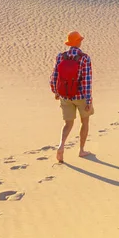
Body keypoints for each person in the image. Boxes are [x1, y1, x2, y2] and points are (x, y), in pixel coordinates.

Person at [49, 31, 94, 163]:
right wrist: (88, 100)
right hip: (80, 96)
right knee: (84, 122)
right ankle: (81, 150)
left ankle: (61, 146)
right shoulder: (84, 58)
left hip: (65, 96)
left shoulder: (60, 56)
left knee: (68, 124)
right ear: (78, 42)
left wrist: (56, 91)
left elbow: (54, 76)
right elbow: (87, 80)